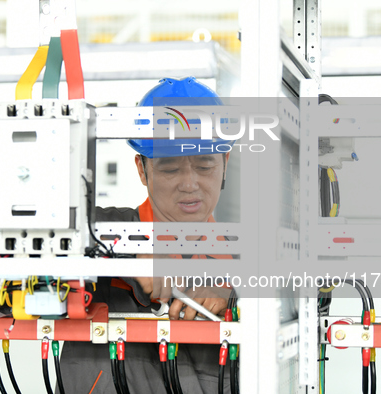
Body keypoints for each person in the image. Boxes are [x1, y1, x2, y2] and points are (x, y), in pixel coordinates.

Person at [60, 77, 234, 393]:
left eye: (205, 166)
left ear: (225, 164)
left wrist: (232, 297)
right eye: (169, 168)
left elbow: (305, 302)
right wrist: (125, 261)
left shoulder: (244, 252)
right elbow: (17, 265)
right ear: (142, 168)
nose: (190, 183)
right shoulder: (96, 229)